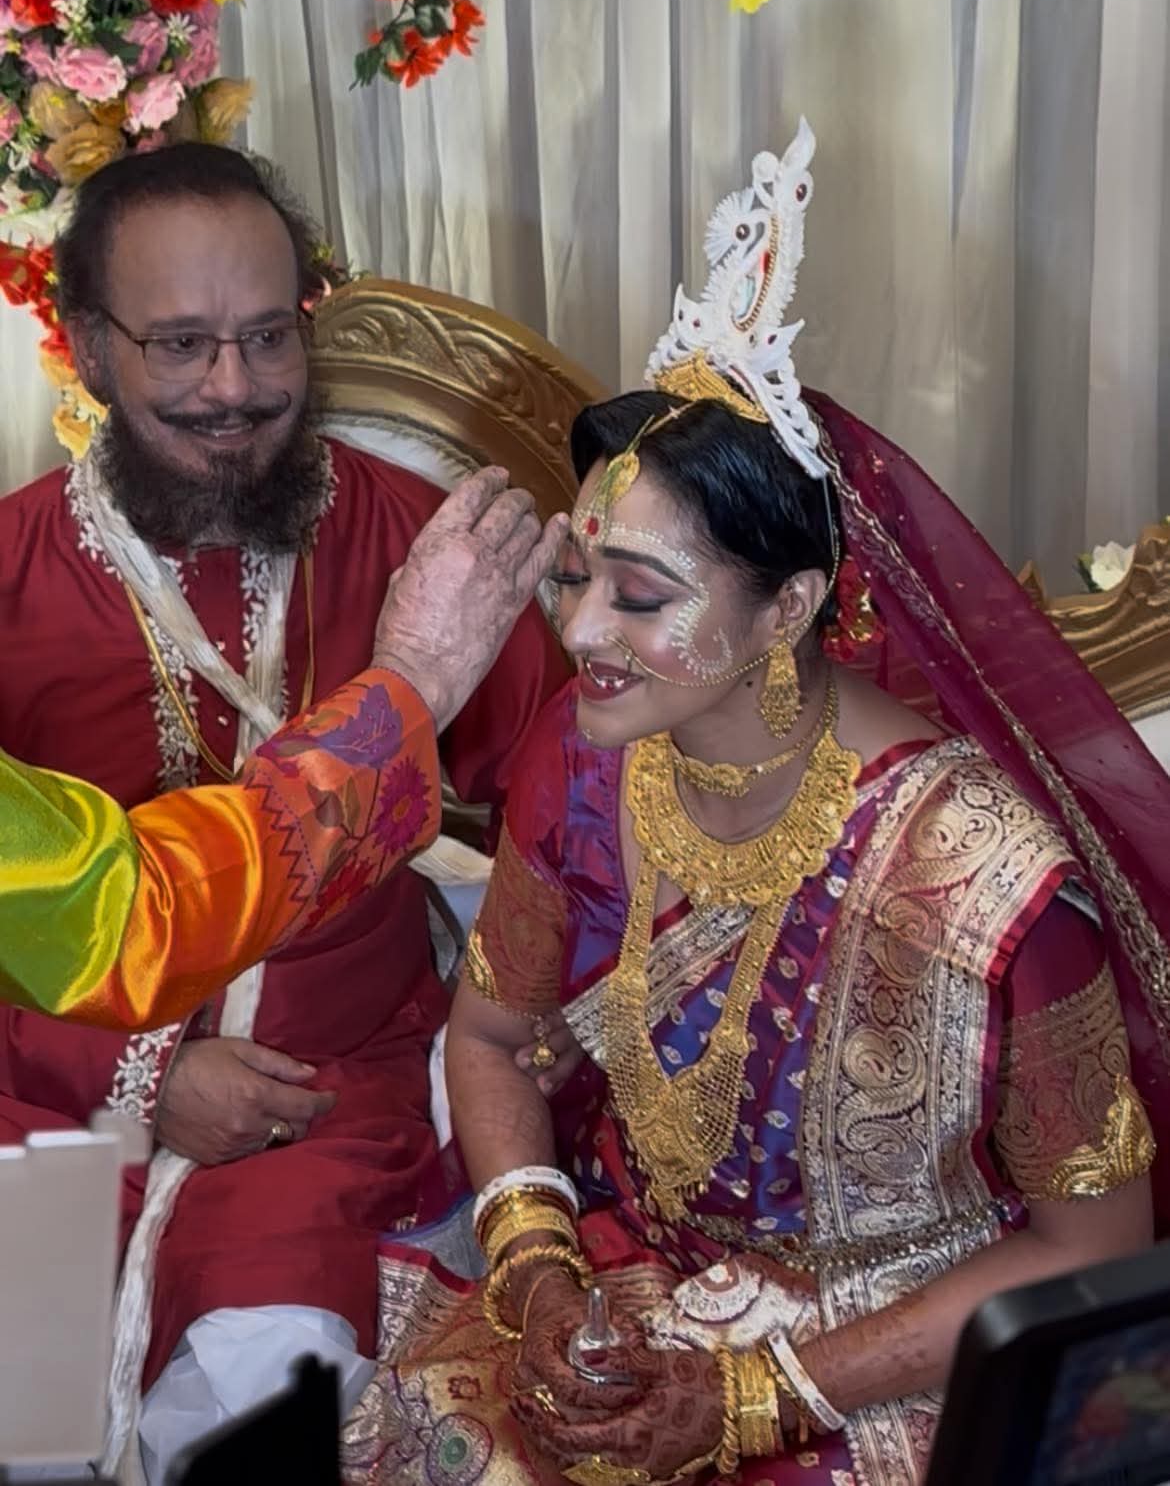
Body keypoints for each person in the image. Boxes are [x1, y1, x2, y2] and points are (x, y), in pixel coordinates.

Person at [340, 122, 1169, 1486]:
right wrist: (539, 1273)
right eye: (574, 575)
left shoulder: (986, 884)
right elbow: (487, 1034)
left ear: (788, 607)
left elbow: (1094, 1249)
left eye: (640, 595)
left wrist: (758, 1398)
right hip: (627, 1288)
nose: (579, 630)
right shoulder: (585, 761)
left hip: (889, 1353)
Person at [0, 143, 566, 1481]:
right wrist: (142, 1078)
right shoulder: (11, 578)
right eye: (182, 345)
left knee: (261, 1412)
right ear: (91, 345)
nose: (234, 389)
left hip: (332, 1093)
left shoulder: (415, 541)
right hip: (51, 1095)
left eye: (267, 336)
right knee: (25, 1415)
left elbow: (564, 806)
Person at [1, 468, 564, 1030]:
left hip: (366, 1046)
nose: (225, 412)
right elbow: (122, 933)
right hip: (65, 1064)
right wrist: (415, 679)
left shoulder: (424, 534)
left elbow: (559, 803)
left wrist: (511, 1019)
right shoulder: (15, 555)